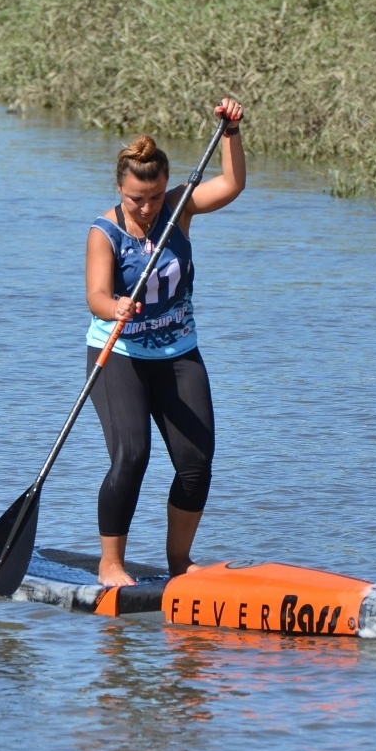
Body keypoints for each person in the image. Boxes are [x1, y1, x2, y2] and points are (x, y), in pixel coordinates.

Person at [85, 98, 245, 587]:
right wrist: (115, 307)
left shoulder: (179, 209)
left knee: (196, 462)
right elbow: (95, 294)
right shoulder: (104, 232)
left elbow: (233, 184)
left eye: (154, 196)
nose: (148, 207)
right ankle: (111, 563)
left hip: (178, 354)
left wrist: (232, 133)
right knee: (132, 455)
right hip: (120, 355)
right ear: (120, 189)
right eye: (137, 198)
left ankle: (180, 562)